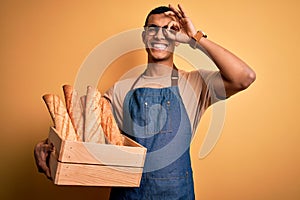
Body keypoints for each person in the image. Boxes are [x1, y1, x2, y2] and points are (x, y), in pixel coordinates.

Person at [34, 4, 256, 200]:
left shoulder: (196, 84)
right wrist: (50, 147)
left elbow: (245, 77)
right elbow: (86, 135)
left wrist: (195, 39)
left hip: (178, 195)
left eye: (170, 30)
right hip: (129, 196)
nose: (160, 36)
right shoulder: (121, 90)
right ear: (144, 36)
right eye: (153, 29)